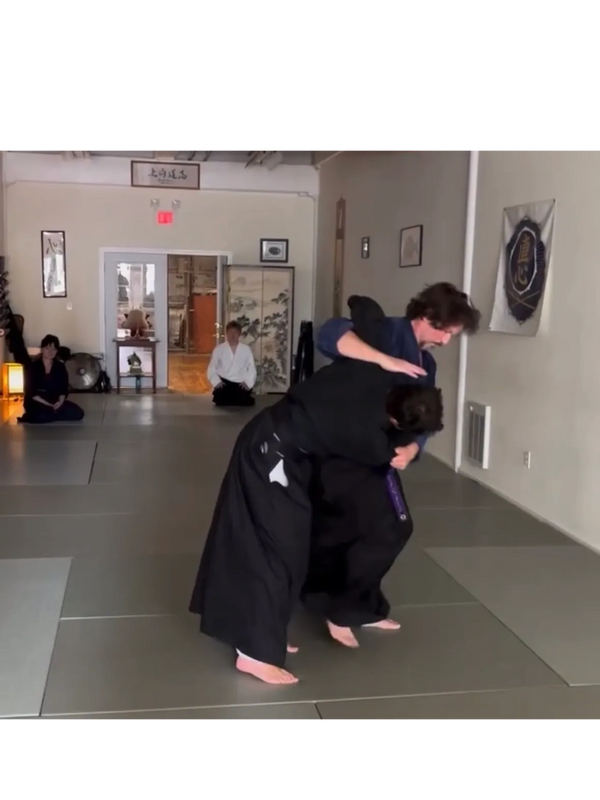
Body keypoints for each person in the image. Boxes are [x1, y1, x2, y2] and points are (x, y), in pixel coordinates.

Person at [189, 295, 440, 686]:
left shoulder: (372, 377)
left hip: (287, 452)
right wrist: (387, 365)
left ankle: (268, 629)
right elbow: (340, 327)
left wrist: (386, 363)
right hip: (268, 451)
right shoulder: (371, 427)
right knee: (273, 545)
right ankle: (253, 652)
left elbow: (364, 307)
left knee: (293, 544)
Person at [306, 283, 481, 647]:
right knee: (383, 528)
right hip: (340, 450)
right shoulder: (383, 331)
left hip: (376, 456)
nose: (447, 342)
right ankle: (343, 610)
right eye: (445, 332)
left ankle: (354, 606)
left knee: (380, 527)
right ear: (426, 316)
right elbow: (329, 335)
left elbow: (423, 416)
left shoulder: (426, 364)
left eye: (453, 335)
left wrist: (414, 448)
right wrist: (383, 359)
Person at [18, 335, 85, 424]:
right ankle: (52, 414)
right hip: (37, 402)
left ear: (57, 351)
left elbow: (63, 389)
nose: (50, 352)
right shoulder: (33, 367)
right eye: (47, 348)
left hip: (54, 401)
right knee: (40, 416)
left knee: (78, 413)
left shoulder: (60, 366)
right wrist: (49, 405)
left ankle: (52, 414)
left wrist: (60, 402)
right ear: (42, 349)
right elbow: (31, 392)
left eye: (54, 349)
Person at [208, 321, 257, 407]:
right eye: (230, 332)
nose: (232, 335)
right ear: (226, 333)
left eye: (235, 332)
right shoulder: (219, 349)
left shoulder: (246, 349)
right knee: (220, 399)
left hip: (240, 382)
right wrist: (217, 382)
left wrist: (247, 382)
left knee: (243, 399)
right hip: (225, 382)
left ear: (239, 334)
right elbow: (212, 367)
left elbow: (251, 368)